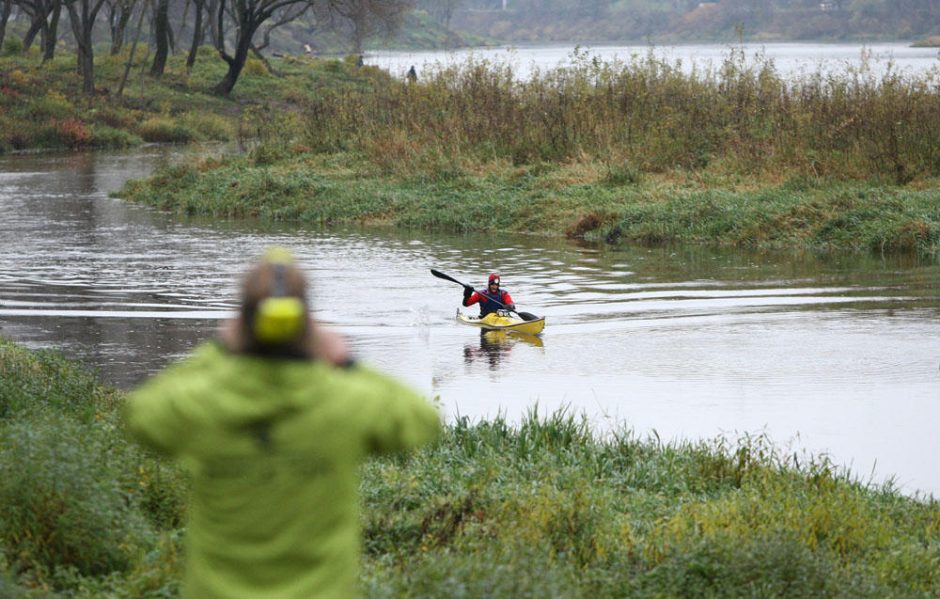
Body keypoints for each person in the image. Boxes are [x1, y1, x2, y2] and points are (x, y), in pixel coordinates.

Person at [124, 247, 440, 599]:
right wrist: (345, 360)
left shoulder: (205, 403)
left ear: (243, 324)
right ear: (307, 324)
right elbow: (422, 420)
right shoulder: (344, 402)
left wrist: (217, 349)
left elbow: (141, 414)